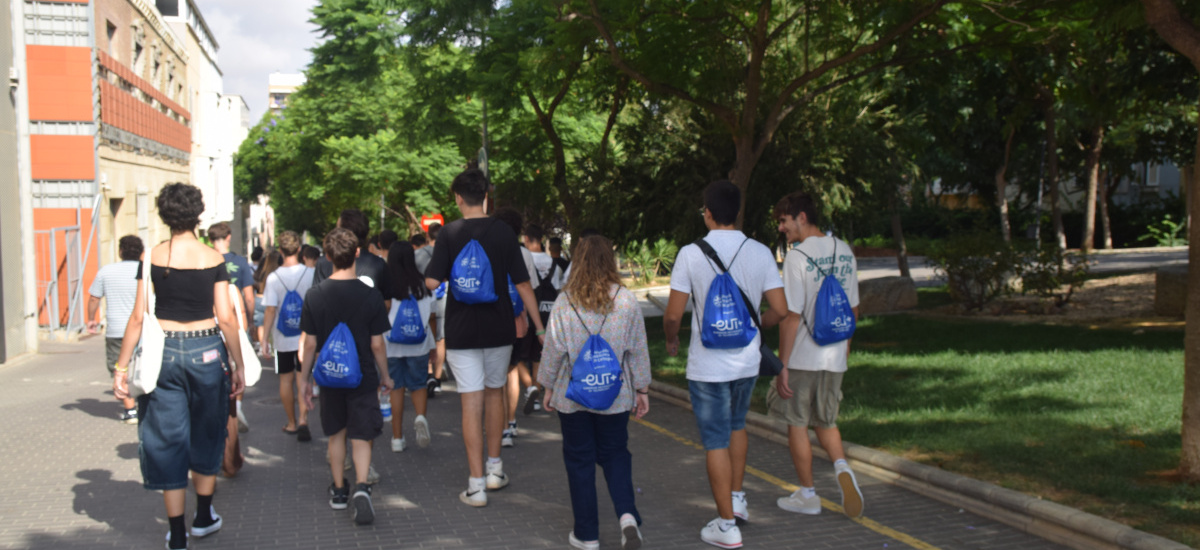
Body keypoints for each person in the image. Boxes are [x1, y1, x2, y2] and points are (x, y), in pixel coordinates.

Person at [112, 183, 247, 550]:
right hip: (207, 349)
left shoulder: (151, 257)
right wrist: (237, 364)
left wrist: (120, 368)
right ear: (197, 214)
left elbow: (138, 317)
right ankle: (203, 516)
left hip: (163, 354)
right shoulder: (213, 258)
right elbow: (226, 318)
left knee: (166, 437)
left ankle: (176, 531)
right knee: (207, 431)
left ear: (164, 214)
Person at [663, 180, 787, 549]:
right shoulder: (760, 251)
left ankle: (726, 525)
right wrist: (756, 327)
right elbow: (779, 310)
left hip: (708, 365)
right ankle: (736, 498)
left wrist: (671, 338)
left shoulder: (690, 253)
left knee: (715, 440)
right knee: (737, 425)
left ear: (709, 213)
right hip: (747, 362)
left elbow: (673, 314)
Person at [424, 169, 544, 507]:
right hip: (499, 328)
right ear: (486, 196)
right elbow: (522, 285)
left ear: (459, 198)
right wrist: (538, 327)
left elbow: (432, 282)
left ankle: (475, 486)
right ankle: (495, 470)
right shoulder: (504, 233)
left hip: (461, 332)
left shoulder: (448, 234)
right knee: (495, 395)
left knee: (470, 402)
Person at [538, 235, 651, 550]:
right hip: (615, 397)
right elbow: (637, 350)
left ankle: (587, 535)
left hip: (571, 397)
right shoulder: (626, 300)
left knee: (579, 460)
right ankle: (627, 516)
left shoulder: (565, 301)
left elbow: (553, 351)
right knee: (616, 454)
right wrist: (642, 389)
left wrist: (546, 386)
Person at [770, 191, 864, 519]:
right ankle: (842, 468)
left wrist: (782, 364)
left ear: (801, 217)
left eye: (784, 221)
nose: (782, 228)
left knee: (797, 423)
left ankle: (808, 494)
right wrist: (845, 352)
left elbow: (791, 316)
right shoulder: (845, 251)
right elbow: (852, 308)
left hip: (804, 358)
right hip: (834, 354)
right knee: (827, 421)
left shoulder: (797, 258)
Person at [296, 228, 395, 526]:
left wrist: (305, 380)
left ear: (326, 257)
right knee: (362, 434)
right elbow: (377, 342)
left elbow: (310, 343)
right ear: (356, 253)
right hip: (362, 375)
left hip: (329, 377)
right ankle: (362, 487)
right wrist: (385, 375)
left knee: (336, 433)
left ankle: (339, 490)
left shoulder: (314, 295)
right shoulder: (371, 294)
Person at [260, 231, 316, 441]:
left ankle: (292, 422)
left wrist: (264, 339)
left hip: (283, 337)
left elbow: (270, 310)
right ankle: (303, 419)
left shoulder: (273, 278)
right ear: (299, 250)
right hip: (307, 336)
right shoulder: (310, 273)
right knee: (304, 377)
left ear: (280, 251)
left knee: (285, 379)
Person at [493, 208, 540, 447]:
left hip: (496, 320)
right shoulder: (525, 254)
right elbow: (529, 286)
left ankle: (501, 427)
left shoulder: (492, 250)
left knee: (497, 377)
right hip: (520, 320)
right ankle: (511, 423)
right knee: (512, 370)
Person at [384, 241, 436, 452]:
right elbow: (431, 318)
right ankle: (421, 417)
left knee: (396, 388)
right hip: (419, 344)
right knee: (418, 385)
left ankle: (397, 438)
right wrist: (433, 344)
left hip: (391, 345)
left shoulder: (387, 286)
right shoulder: (423, 285)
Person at [87, 234, 144, 424]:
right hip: (143, 328)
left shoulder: (106, 271)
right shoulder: (145, 270)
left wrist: (91, 319)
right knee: (143, 366)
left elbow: (94, 298)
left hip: (116, 329)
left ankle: (130, 410)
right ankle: (144, 405)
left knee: (120, 367)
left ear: (120, 251)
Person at [209, 221, 255, 433]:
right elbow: (248, 296)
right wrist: (248, 323)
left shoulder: (206, 260)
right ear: (228, 237)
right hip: (236, 322)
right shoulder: (240, 262)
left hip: (211, 325)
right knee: (238, 367)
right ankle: (237, 406)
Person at [312, 209, 392, 306]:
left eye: (337, 229)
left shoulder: (324, 262)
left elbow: (316, 302)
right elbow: (386, 304)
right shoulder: (379, 264)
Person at [416, 223, 445, 396]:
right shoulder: (449, 252)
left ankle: (427, 374)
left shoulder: (418, 254)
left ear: (428, 236)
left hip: (423, 299)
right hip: (444, 299)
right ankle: (438, 377)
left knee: (425, 334)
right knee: (440, 339)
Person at [252, 249, 282, 347]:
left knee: (261, 325)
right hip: (272, 300)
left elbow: (255, 281)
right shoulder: (278, 273)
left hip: (259, 298)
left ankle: (263, 345)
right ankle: (272, 345)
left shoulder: (262, 268)